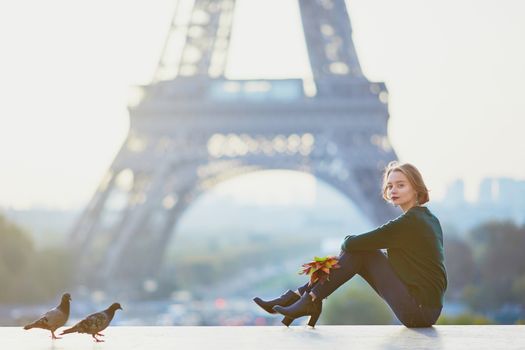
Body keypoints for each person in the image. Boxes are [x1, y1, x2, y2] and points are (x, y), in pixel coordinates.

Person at [253, 161, 447, 328]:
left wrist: (344, 249)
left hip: (418, 311)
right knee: (362, 253)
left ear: (416, 188)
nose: (393, 190)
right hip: (427, 308)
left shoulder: (409, 223)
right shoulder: (428, 218)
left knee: (359, 252)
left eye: (401, 185)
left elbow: (351, 243)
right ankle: (305, 297)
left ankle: (305, 298)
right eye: (390, 186)